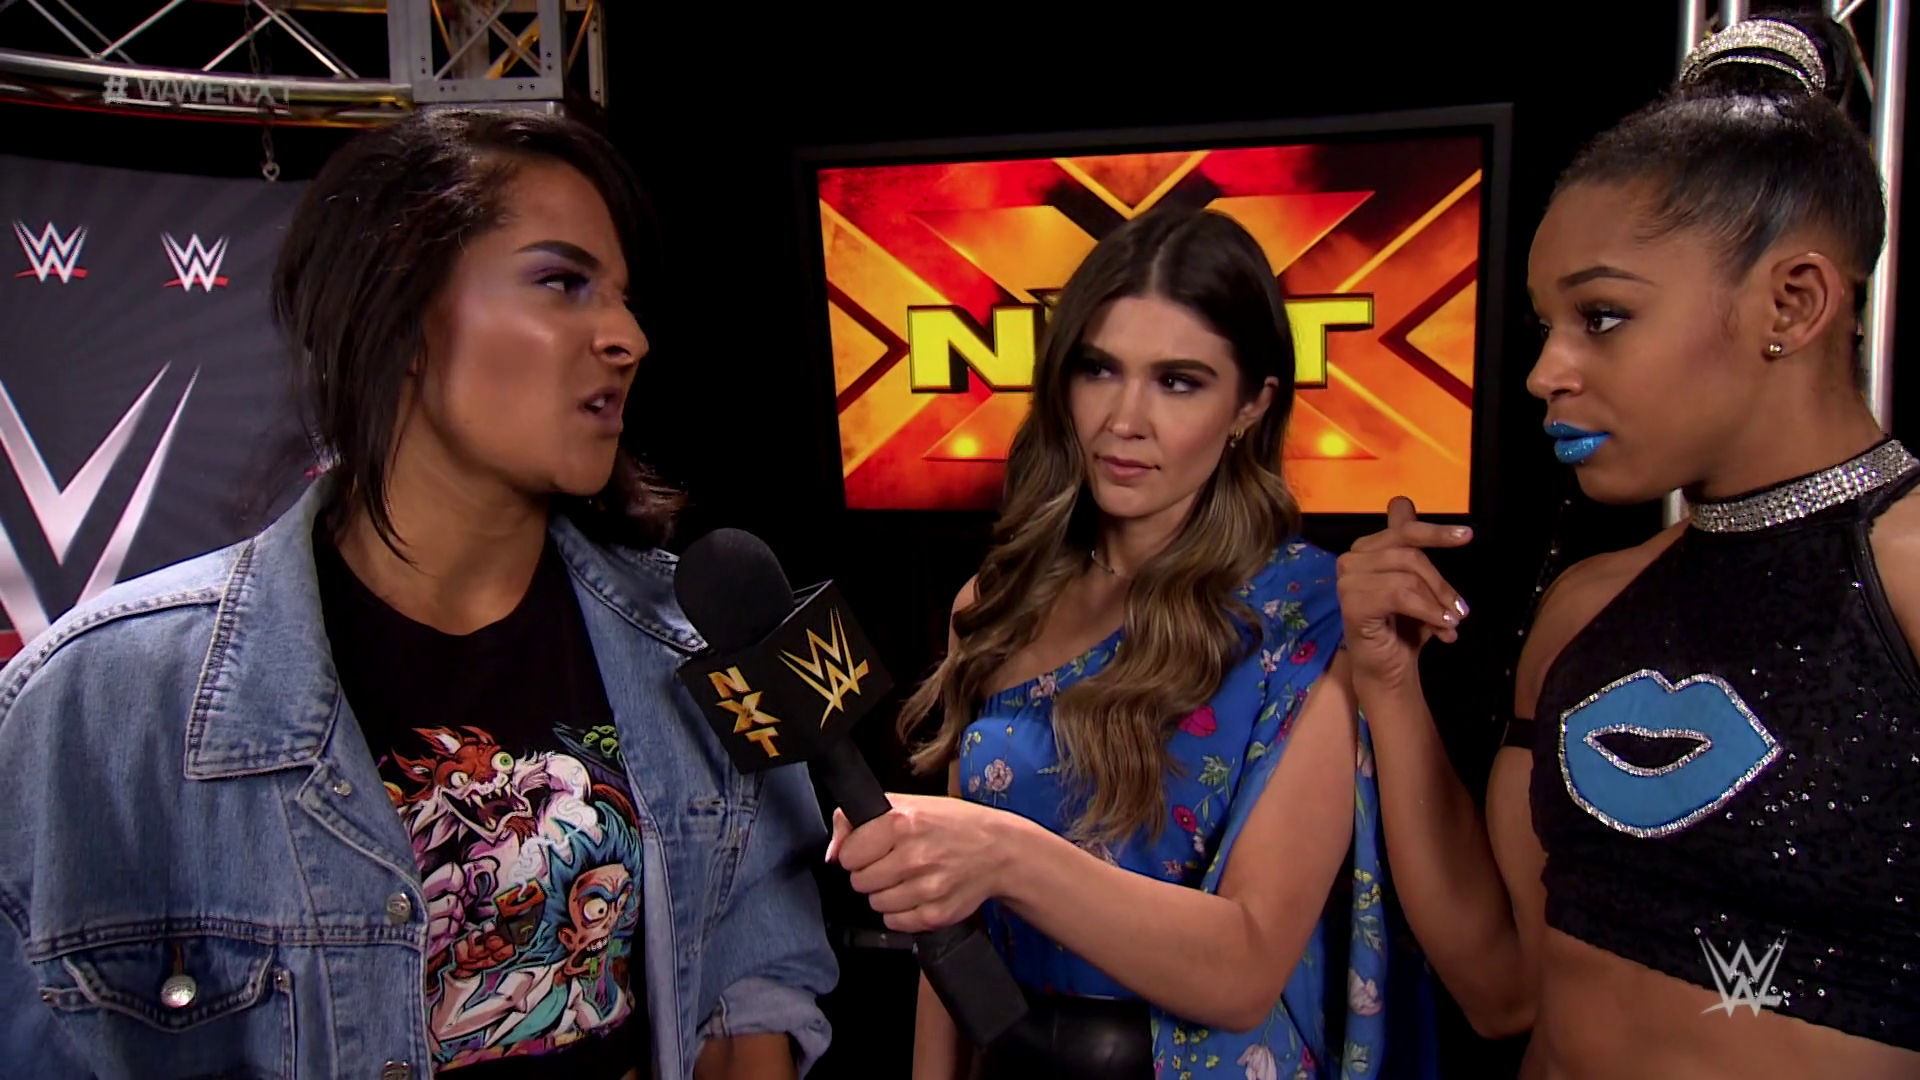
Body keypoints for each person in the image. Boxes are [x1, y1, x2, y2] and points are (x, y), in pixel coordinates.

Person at [0, 110, 836, 1080]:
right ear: (396, 313)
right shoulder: (103, 704)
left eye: (623, 299)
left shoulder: (697, 655)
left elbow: (748, 1000)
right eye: (562, 283)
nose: (628, 338)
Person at [1337, 11, 1920, 1079]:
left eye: (1601, 317)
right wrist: (1390, 688)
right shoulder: (1585, 610)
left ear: (1792, 302)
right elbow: (1502, 988)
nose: (1544, 372)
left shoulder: (1908, 580)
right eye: (1545, 326)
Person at [826, 206, 1440, 1079]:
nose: (1125, 419)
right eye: (1099, 369)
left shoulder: (1306, 621)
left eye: (1178, 382)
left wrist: (1001, 854)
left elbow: (1245, 967)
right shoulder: (996, 602)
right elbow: (947, 929)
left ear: (1252, 404)